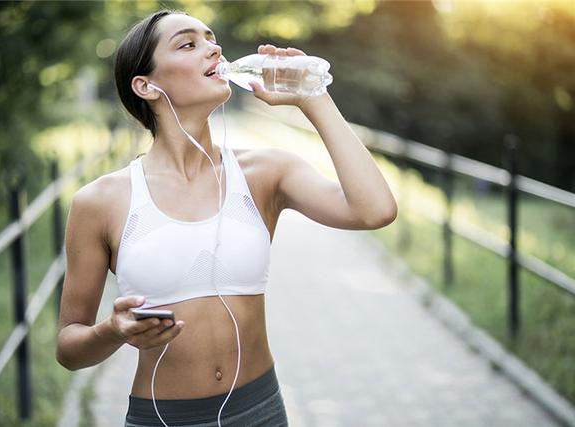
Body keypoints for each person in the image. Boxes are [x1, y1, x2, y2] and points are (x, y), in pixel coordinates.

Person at [56, 8, 398, 427]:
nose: (213, 48)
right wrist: (112, 331)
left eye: (211, 38)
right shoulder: (100, 201)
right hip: (160, 419)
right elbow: (69, 349)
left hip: (261, 413)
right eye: (188, 43)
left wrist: (313, 97)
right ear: (145, 85)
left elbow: (375, 210)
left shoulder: (265, 172)